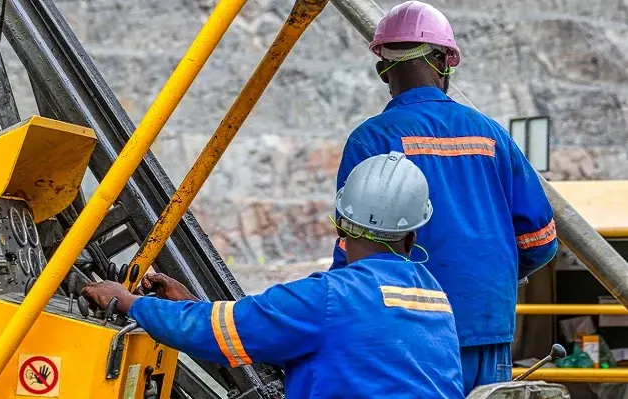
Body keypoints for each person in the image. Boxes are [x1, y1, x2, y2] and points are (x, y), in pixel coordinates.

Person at [83, 152, 464, 399]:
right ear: (413, 234)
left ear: (341, 226)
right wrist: (192, 304)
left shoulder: (330, 297)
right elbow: (348, 352)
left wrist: (129, 301)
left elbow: (216, 333)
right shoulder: (433, 296)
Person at [331, 1, 559, 394]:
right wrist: (491, 272)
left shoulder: (372, 139)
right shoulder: (490, 135)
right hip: (489, 322)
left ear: (382, 70)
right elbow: (540, 240)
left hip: (408, 328)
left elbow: (355, 245)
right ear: (444, 62)